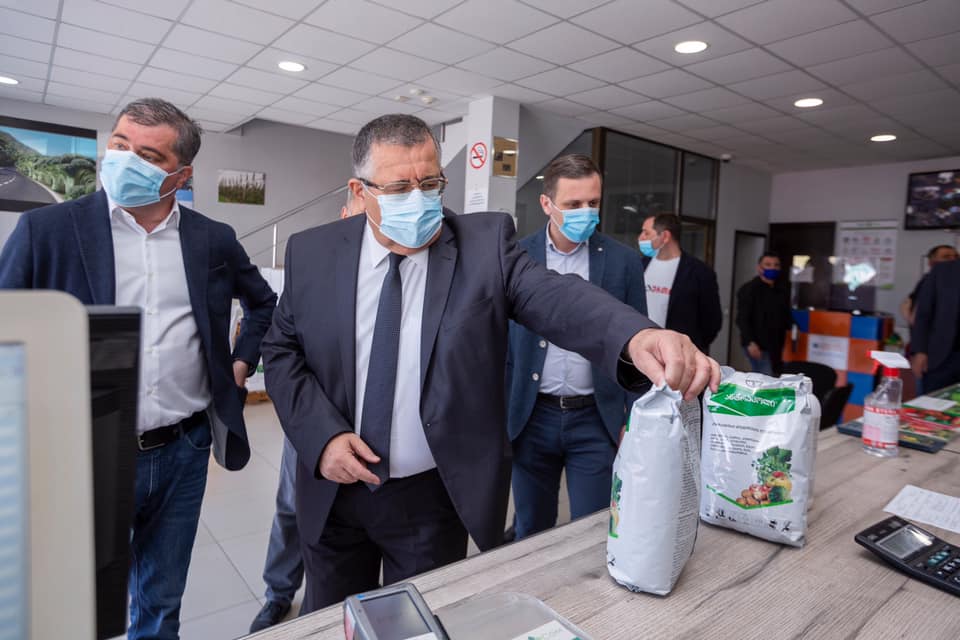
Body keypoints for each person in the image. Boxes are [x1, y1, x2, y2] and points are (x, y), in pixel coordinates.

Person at [261, 113, 720, 613]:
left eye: (430, 184)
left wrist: (635, 335)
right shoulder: (314, 253)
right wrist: (322, 437)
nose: (419, 200)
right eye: (399, 188)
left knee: (419, 622)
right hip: (334, 493)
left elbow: (557, 297)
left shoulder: (483, 246)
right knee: (333, 621)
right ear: (360, 190)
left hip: (430, 499)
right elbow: (283, 352)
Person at [0, 99, 276, 639]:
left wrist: (242, 361)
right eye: (120, 144)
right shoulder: (46, 230)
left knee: (162, 599)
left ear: (181, 175)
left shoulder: (211, 239)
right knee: (77, 604)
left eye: (148, 155)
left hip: (184, 448)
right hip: (85, 450)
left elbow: (263, 303)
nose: (126, 160)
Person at [504, 154, 646, 541]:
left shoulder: (623, 262)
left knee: (593, 531)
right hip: (531, 417)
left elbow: (637, 346)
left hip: (595, 418)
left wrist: (632, 420)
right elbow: (499, 343)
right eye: (573, 204)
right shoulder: (516, 258)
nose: (586, 212)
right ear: (546, 204)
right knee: (531, 530)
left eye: (593, 202)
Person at [250, 188, 366, 633]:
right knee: (291, 509)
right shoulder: (315, 268)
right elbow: (284, 349)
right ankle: (278, 593)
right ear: (344, 217)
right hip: (314, 421)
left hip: (375, 429)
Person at [637, 213, 722, 353]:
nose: (640, 238)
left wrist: (692, 348)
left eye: (646, 233)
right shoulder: (640, 265)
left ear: (665, 236)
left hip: (679, 354)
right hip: (642, 349)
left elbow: (711, 321)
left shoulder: (699, 273)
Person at [736, 252, 793, 376]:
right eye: (768, 264)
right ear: (759, 268)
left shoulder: (782, 289)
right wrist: (750, 343)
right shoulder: (749, 289)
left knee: (775, 376)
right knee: (765, 378)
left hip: (776, 345)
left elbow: (784, 315)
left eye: (776, 265)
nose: (772, 268)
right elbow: (742, 319)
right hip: (757, 344)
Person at [911, 258, 960, 392]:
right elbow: (923, 314)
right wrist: (920, 351)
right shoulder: (942, 271)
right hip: (942, 357)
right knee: (932, 402)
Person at [899, 244, 958, 326]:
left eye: (956, 257)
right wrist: (914, 323)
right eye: (946, 257)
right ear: (931, 262)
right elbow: (908, 303)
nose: (953, 260)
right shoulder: (928, 280)